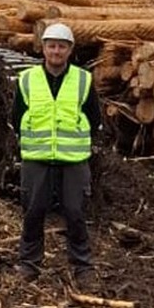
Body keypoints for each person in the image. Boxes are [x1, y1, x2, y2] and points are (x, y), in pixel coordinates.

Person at [12, 23, 102, 288]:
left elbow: (94, 118)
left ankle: (82, 268)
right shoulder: (27, 79)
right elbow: (16, 117)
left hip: (73, 160)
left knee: (75, 213)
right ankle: (29, 265)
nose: (56, 51)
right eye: (51, 45)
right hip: (36, 158)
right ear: (43, 48)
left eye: (61, 46)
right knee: (33, 212)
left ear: (70, 50)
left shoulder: (83, 79)